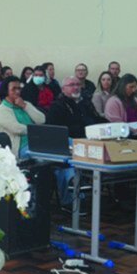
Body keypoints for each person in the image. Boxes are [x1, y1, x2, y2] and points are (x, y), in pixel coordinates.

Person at [45, 77, 98, 209]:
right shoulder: (57, 106)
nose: (76, 87)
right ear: (63, 89)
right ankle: (71, 199)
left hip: (90, 141)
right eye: (71, 85)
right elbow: (57, 131)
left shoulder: (84, 103)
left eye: (77, 85)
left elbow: (95, 118)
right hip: (68, 145)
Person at [0, 77, 46, 159]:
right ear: (6, 91)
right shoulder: (2, 110)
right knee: (50, 153)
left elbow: (42, 120)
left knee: (68, 142)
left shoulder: (25, 104)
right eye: (14, 89)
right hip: (21, 147)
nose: (17, 91)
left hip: (38, 141)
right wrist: (38, 131)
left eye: (19, 88)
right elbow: (18, 129)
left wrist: (25, 106)